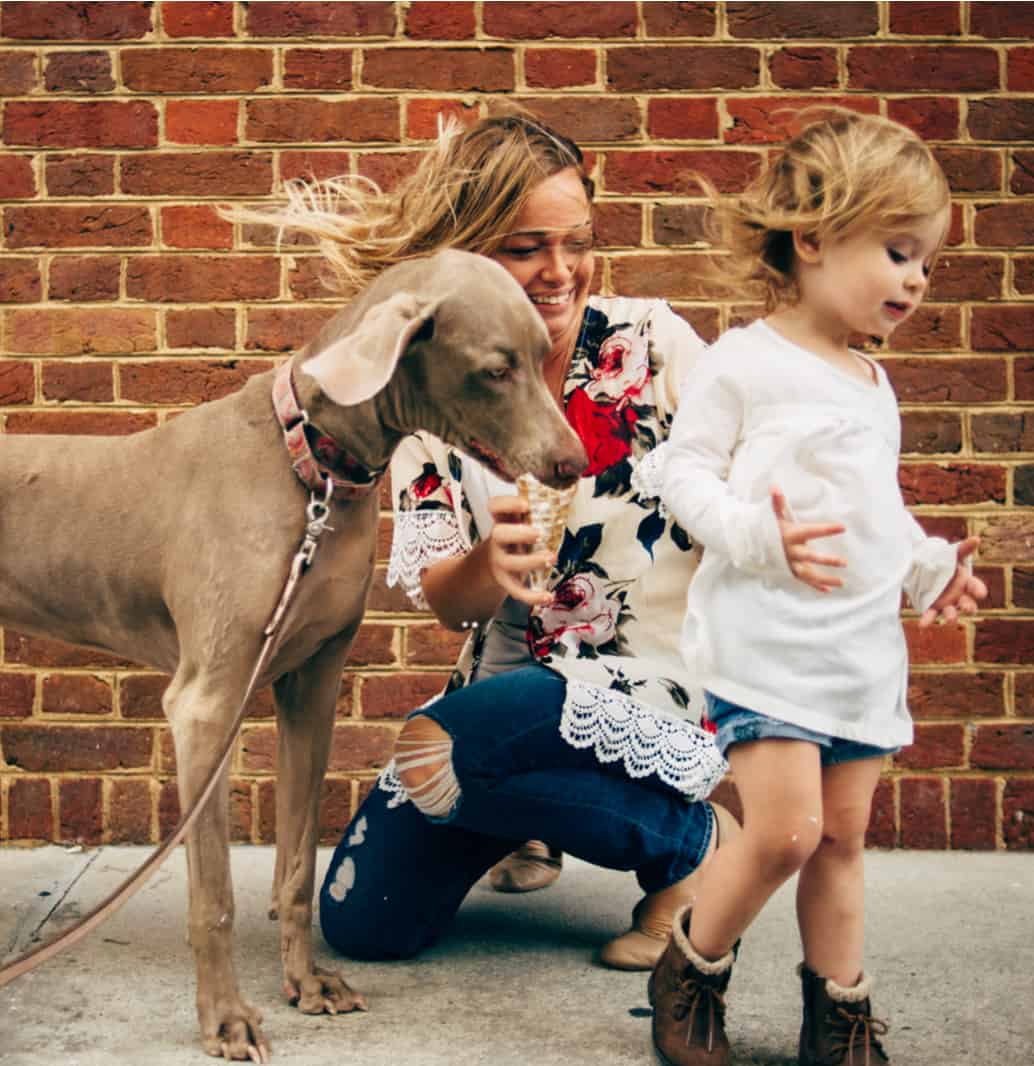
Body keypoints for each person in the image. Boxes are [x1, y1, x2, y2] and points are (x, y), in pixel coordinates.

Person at [234, 109, 736, 971]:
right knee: (364, 925)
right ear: (470, 248)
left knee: (460, 740)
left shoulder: (655, 345)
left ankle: (696, 851)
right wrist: (489, 567)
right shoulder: (429, 390)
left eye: (575, 240)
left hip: (652, 686)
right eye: (526, 245)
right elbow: (443, 601)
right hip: (499, 699)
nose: (560, 269)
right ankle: (526, 819)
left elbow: (750, 498)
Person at [645, 109, 988, 1066]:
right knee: (786, 832)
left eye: (927, 261)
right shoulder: (745, 361)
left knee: (840, 837)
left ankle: (837, 1016)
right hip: (765, 642)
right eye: (898, 250)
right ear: (814, 239)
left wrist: (929, 570)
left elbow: (875, 516)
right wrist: (760, 536)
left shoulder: (875, 386)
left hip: (857, 650)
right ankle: (690, 966)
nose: (917, 279)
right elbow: (680, 477)